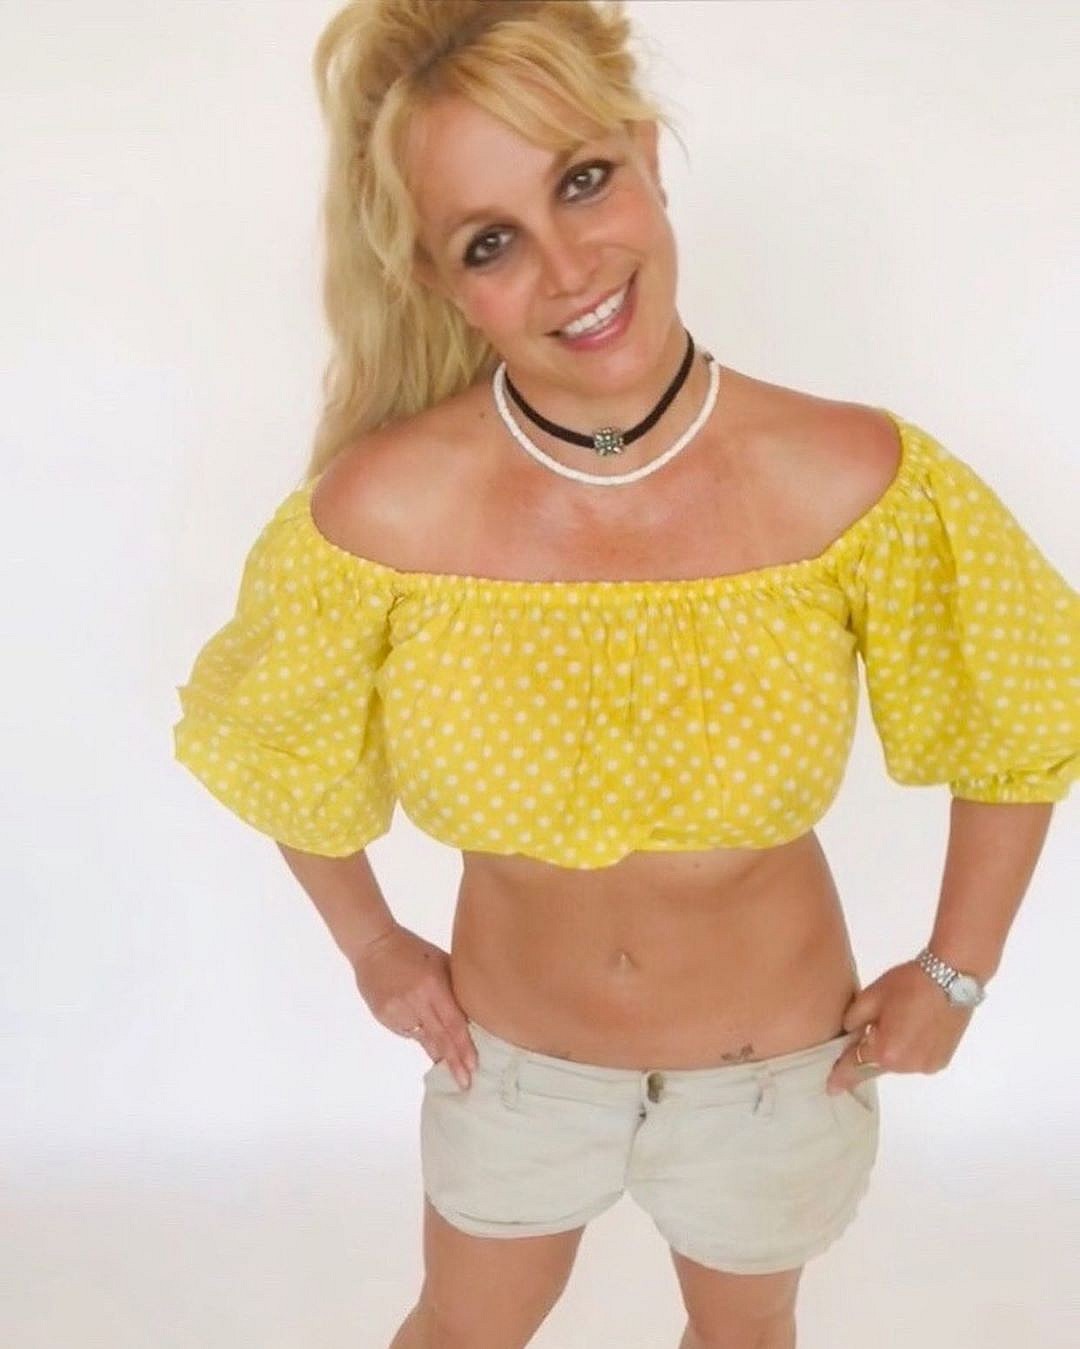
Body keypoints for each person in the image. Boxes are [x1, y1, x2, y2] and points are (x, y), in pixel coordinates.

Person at [171, 2, 1079, 1346]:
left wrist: (957, 972)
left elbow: (1020, 711)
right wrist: (371, 945)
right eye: (490, 243)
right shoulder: (380, 514)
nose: (567, 268)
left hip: (775, 1076)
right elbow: (273, 739)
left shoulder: (851, 479)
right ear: (438, 280)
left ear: (649, 155)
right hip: (510, 1073)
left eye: (583, 181)